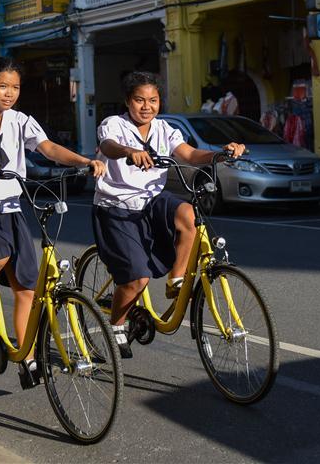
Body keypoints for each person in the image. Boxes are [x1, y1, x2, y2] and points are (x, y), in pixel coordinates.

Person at [0, 57, 106, 388]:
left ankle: (27, 357)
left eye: (15, 87)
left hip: (9, 206)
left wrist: (85, 161)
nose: (9, 93)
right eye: (2, 86)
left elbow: (48, 148)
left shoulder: (20, 121)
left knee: (26, 287)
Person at [91, 71, 245, 358]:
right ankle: (116, 325)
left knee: (188, 213)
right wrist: (129, 151)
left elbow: (188, 154)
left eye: (153, 100)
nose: (146, 106)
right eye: (139, 100)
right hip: (117, 206)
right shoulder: (114, 125)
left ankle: (176, 279)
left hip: (151, 202)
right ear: (127, 101)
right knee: (137, 279)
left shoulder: (165, 129)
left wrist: (220, 155)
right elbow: (109, 147)